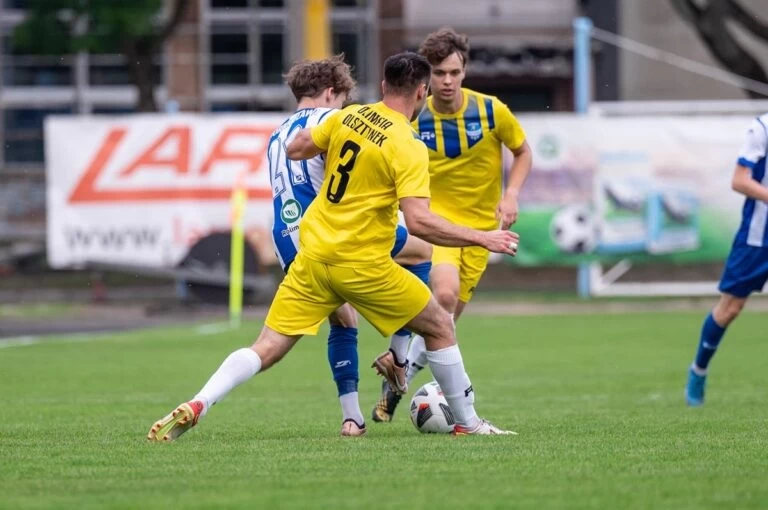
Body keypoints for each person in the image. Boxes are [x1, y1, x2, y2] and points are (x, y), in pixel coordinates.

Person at [147, 52, 520, 441]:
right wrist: (483, 237)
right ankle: (466, 421)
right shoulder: (407, 144)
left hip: (312, 257)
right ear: (422, 92)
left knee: (266, 346)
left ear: (383, 86)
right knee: (440, 326)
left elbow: (296, 147)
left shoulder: (349, 117)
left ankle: (200, 402)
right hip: (361, 264)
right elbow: (420, 222)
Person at [372, 27, 533, 423]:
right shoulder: (414, 118)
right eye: (439, 73)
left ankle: (399, 376)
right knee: (443, 295)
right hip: (437, 227)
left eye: (454, 73)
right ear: (426, 79)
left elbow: (523, 151)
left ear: (465, 72)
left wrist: (511, 194)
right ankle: (449, 406)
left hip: (482, 234)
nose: (447, 81)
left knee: (444, 323)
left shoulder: (491, 111)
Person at [267, 55, 433, 436]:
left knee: (343, 318)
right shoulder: (332, 118)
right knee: (422, 250)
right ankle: (399, 356)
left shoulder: (278, 133)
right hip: (329, 233)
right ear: (331, 93)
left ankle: (352, 418)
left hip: (286, 237)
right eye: (342, 99)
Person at [685, 113, 768, 406]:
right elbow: (739, 180)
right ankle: (699, 369)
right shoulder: (762, 128)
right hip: (757, 237)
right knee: (730, 308)